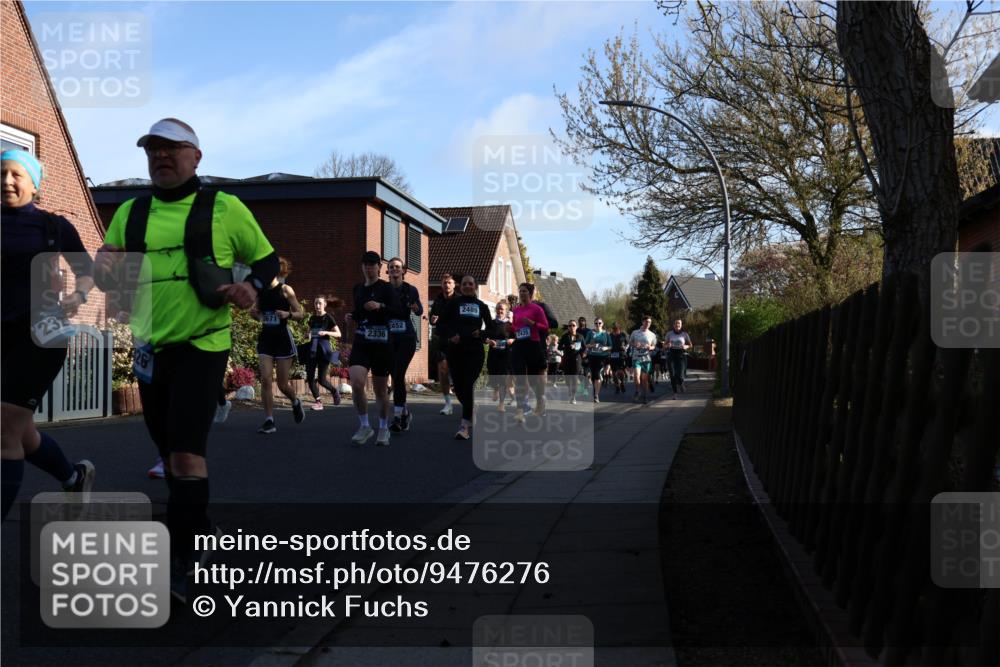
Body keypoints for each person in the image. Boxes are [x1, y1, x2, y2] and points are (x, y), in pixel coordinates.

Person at [93, 118, 279, 600]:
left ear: (196, 157)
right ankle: (198, 528)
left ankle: (184, 556)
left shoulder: (224, 207)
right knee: (168, 452)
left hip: (203, 343)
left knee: (185, 452)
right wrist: (104, 265)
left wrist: (251, 286)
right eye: (153, 149)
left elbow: (266, 260)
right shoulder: (130, 212)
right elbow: (108, 267)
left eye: (171, 148)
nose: (161, 156)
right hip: (151, 348)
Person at [1, 150, 96, 521]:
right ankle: (73, 477)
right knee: (21, 433)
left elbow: (87, 271)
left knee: (4, 430)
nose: (7, 181)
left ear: (34, 183)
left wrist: (78, 295)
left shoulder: (53, 227)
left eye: (16, 174)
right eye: (1, 173)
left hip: (40, 336)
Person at [345, 251, 404, 446]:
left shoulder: (387, 289)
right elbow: (360, 312)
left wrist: (380, 306)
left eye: (372, 265)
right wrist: (352, 316)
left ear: (379, 267)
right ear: (362, 267)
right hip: (362, 342)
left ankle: (384, 427)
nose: (368, 268)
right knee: (356, 383)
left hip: (382, 344)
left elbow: (399, 312)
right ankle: (364, 426)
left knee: (380, 392)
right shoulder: (358, 289)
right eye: (365, 264)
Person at [254, 257, 306, 433]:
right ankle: (269, 420)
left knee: (283, 384)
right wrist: (255, 314)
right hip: (266, 339)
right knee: (266, 378)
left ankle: (295, 401)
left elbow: (300, 313)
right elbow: (257, 313)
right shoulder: (260, 291)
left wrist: (287, 314)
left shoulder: (285, 290)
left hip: (283, 339)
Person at [438, 274, 492, 439]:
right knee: (460, 388)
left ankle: (464, 427)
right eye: (464, 284)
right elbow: (440, 325)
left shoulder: (481, 306)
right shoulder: (453, 304)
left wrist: (481, 333)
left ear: (475, 286)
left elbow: (491, 328)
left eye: (470, 284)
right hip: (456, 350)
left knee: (468, 385)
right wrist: (451, 335)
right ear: (460, 287)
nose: (467, 286)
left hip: (474, 351)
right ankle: (471, 408)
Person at [386, 258, 422, 432]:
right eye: (391, 267)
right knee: (394, 375)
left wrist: (415, 308)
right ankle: (404, 412)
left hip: (406, 338)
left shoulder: (410, 289)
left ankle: (398, 417)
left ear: (403, 271)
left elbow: (420, 310)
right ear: (387, 271)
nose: (394, 269)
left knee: (398, 374)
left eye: (397, 267)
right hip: (389, 338)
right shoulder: (383, 289)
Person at [510, 282, 549, 423]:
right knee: (520, 377)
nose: (522, 293)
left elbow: (546, 327)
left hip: (533, 345)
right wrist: (511, 328)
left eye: (525, 291)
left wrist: (533, 324)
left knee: (533, 380)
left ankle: (540, 400)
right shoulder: (516, 310)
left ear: (530, 294)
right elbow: (515, 326)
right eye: (520, 291)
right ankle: (520, 411)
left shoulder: (537, 309)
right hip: (519, 345)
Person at [304, 295, 342, 410]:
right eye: (316, 303)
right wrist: (307, 335)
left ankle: (334, 391)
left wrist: (326, 332)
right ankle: (318, 402)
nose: (317, 305)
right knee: (310, 378)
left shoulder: (328, 318)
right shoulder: (312, 318)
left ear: (324, 304)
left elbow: (338, 334)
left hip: (324, 351)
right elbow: (307, 333)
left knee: (322, 379)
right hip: (312, 350)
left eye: (320, 303)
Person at [428, 274, 457, 415]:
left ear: (454, 285)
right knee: (443, 371)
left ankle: (467, 404)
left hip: (456, 341)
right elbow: (432, 318)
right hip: (442, 340)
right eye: (444, 282)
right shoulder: (438, 300)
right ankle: (448, 404)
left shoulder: (459, 300)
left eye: (449, 282)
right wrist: (432, 319)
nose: (447, 285)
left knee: (458, 374)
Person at [486, 300, 515, 412]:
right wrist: (489, 341)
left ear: (506, 311)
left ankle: (501, 404)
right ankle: (495, 388)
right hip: (493, 354)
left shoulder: (510, 325)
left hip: (505, 354)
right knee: (493, 373)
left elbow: (516, 337)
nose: (499, 311)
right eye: (498, 308)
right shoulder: (491, 323)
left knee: (503, 378)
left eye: (502, 309)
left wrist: (512, 340)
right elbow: (485, 336)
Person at [629, 315, 658, 404]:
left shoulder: (652, 335)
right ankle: (638, 390)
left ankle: (645, 395)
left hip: (646, 359)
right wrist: (635, 345)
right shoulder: (635, 332)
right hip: (636, 357)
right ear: (642, 322)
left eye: (649, 322)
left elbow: (654, 346)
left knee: (644, 379)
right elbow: (630, 342)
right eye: (646, 322)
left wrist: (650, 347)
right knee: (636, 375)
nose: (648, 323)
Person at [558, 321, 585, 404]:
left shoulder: (580, 336)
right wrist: (567, 346)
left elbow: (584, 348)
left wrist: (578, 348)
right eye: (570, 325)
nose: (572, 327)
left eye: (573, 325)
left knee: (574, 377)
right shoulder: (565, 336)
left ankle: (573, 396)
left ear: (576, 327)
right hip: (567, 359)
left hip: (577, 359)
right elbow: (559, 347)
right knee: (567, 378)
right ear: (568, 327)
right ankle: (570, 390)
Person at [585, 318, 612, 402]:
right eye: (596, 323)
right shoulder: (590, 333)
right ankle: (594, 391)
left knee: (598, 374)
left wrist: (605, 348)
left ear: (602, 324)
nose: (598, 325)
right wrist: (592, 345)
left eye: (599, 323)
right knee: (593, 376)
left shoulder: (606, 334)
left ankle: (596, 395)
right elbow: (585, 344)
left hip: (602, 357)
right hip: (592, 356)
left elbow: (611, 346)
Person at [665, 318, 693, 399]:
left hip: (681, 355)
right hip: (671, 354)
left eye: (679, 324)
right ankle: (675, 394)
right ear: (674, 325)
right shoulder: (669, 334)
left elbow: (691, 345)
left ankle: (681, 383)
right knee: (672, 375)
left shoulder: (685, 334)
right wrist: (667, 345)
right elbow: (664, 345)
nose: (677, 325)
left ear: (681, 325)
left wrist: (686, 346)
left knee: (680, 375)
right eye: (676, 323)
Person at [609, 322, 628, 394]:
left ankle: (622, 382)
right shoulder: (610, 335)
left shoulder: (623, 335)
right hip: (612, 354)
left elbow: (628, 344)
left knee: (621, 371)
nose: (615, 329)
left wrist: (625, 347)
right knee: (614, 373)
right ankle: (617, 386)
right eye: (614, 328)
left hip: (621, 354)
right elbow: (607, 344)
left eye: (616, 328)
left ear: (619, 328)